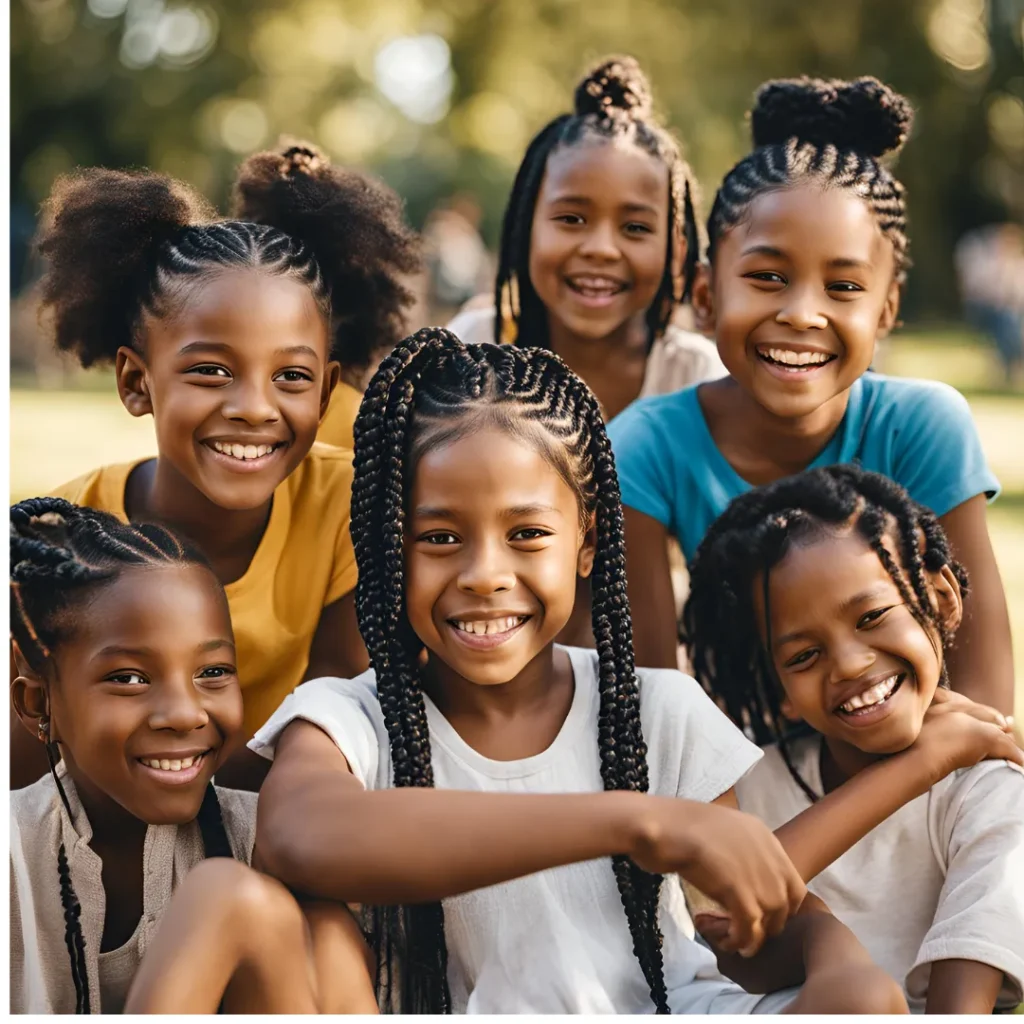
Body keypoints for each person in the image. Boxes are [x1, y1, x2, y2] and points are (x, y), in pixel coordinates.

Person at [248, 328, 914, 1015]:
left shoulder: (655, 709)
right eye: (440, 538)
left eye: (526, 534)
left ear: (588, 540)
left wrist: (835, 959)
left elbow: (744, 929)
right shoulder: (350, 721)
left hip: (676, 1006)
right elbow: (300, 835)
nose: (483, 576)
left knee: (866, 1000)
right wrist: (632, 823)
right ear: (390, 548)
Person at [608, 76, 1013, 719]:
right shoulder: (644, 447)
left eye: (844, 287)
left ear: (887, 309)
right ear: (707, 298)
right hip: (736, 771)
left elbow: (982, 699)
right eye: (768, 278)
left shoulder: (923, 425)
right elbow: (658, 706)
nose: (802, 314)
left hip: (915, 754)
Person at [21, 141, 417, 789]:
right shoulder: (56, 541)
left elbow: (340, 722)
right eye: (211, 371)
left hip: (288, 822)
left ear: (325, 392)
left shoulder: (354, 505)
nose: (253, 408)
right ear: (135, 381)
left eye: (290, 375)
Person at [9, 499, 378, 1014]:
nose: (184, 714)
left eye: (212, 673)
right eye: (129, 679)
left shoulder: (267, 848)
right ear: (37, 703)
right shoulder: (13, 856)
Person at [682, 465, 1024, 1012]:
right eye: (803, 656)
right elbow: (724, 912)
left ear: (939, 598)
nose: (850, 664)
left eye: (872, 616)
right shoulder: (749, 787)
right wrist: (913, 769)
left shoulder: (994, 791)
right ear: (780, 688)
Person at [446, 56, 724, 423]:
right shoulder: (471, 351)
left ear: (677, 251)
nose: (601, 249)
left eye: (636, 228)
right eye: (571, 219)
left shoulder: (698, 380)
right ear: (525, 230)